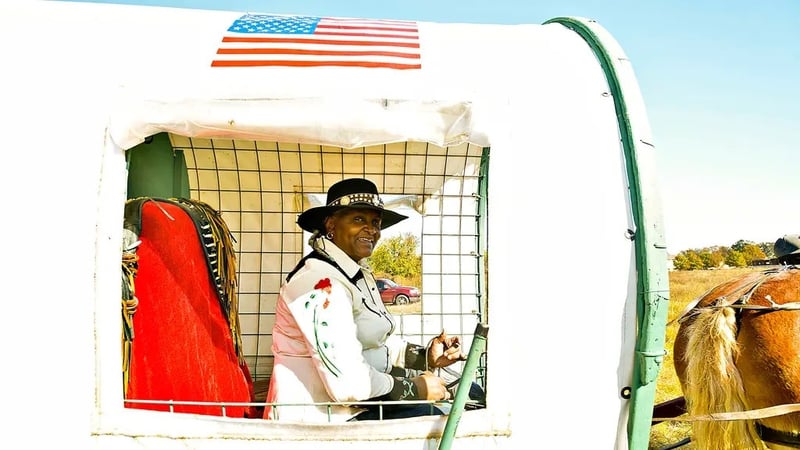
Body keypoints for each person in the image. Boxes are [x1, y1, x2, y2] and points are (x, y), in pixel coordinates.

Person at [264, 178, 465, 423]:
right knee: (446, 419)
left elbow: (374, 344)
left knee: (466, 397)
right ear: (331, 224)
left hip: (356, 409)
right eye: (358, 219)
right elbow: (348, 384)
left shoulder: (355, 273)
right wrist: (415, 389)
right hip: (318, 419)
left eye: (375, 222)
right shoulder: (320, 282)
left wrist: (424, 356)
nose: (372, 230)